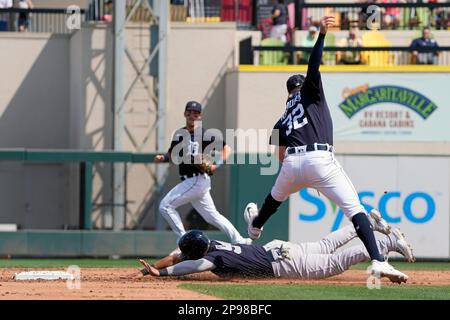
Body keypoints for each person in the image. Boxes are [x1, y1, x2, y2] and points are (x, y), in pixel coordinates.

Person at [242, 15, 408, 283]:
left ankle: (255, 227)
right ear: (302, 88)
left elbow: (281, 157)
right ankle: (379, 261)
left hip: (291, 166)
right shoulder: (311, 92)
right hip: (319, 158)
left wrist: (300, 177)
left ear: (287, 94)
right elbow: (313, 66)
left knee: (273, 201)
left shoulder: (281, 118)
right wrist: (321, 35)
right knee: (355, 209)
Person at [136, 212, 414, 282]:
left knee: (337, 261)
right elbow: (178, 256)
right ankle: (366, 222)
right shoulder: (213, 244)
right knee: (328, 245)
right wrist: (155, 267)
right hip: (279, 249)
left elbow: (190, 265)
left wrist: (162, 274)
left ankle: (389, 242)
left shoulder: (210, 259)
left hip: (282, 264)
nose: (182, 254)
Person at [154, 101, 251, 247]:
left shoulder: (205, 134)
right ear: (184, 113)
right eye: (189, 112)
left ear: (200, 116)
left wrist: (215, 164)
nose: (192, 115)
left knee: (165, 206)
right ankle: (239, 240)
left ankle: (183, 239)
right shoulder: (179, 134)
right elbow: (172, 154)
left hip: (196, 179)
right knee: (212, 216)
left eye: (196, 113)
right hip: (195, 182)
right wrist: (163, 158)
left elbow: (227, 149)